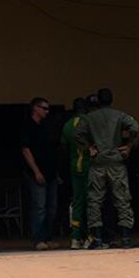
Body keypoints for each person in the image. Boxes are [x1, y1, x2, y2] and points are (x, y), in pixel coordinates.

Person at [74, 88, 138, 247]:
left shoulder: (89, 118)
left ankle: (97, 238)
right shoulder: (119, 115)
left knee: (95, 201)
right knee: (122, 199)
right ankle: (126, 238)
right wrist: (129, 146)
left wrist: (89, 148)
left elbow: (77, 134)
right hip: (116, 162)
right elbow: (135, 127)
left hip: (98, 163)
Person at [18, 97, 59, 250]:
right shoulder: (27, 126)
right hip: (36, 172)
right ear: (35, 108)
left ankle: (47, 238)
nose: (47, 112)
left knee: (51, 208)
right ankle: (38, 239)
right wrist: (36, 171)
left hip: (51, 173)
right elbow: (25, 150)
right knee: (39, 207)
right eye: (44, 108)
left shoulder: (46, 127)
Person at [60, 97, 92, 250]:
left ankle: (75, 237)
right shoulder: (89, 122)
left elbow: (63, 147)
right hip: (89, 166)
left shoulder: (67, 125)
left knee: (77, 202)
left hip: (74, 167)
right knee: (92, 201)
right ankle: (90, 237)